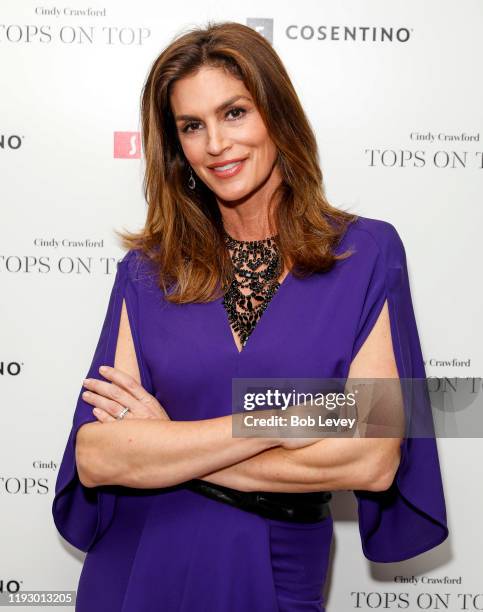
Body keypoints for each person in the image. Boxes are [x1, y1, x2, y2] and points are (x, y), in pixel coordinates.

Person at [52, 21, 448, 612]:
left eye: (234, 113)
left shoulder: (366, 253)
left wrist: (168, 450)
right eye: (192, 126)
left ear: (277, 115)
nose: (215, 144)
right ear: (176, 145)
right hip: (139, 564)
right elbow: (99, 456)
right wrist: (278, 418)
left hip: (279, 564)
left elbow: (374, 457)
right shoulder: (148, 270)